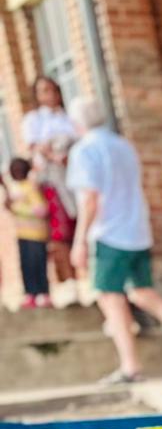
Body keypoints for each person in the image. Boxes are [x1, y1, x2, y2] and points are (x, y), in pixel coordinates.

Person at [65, 96, 162, 383]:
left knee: (110, 298)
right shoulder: (124, 146)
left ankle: (130, 366)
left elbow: (90, 200)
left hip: (109, 233)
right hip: (136, 231)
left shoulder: (85, 150)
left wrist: (79, 241)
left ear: (77, 123)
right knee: (142, 293)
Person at [19, 76, 76, 298]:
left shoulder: (67, 118)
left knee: (77, 228)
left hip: (72, 179)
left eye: (52, 90)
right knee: (59, 232)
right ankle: (68, 281)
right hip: (51, 180)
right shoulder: (34, 120)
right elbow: (35, 146)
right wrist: (53, 155)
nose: (49, 95)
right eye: (44, 91)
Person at [7, 157, 55, 307]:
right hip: (23, 233)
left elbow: (41, 210)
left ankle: (42, 293)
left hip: (35, 234)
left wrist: (16, 208)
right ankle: (30, 293)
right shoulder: (16, 188)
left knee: (37, 264)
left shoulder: (30, 187)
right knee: (26, 264)